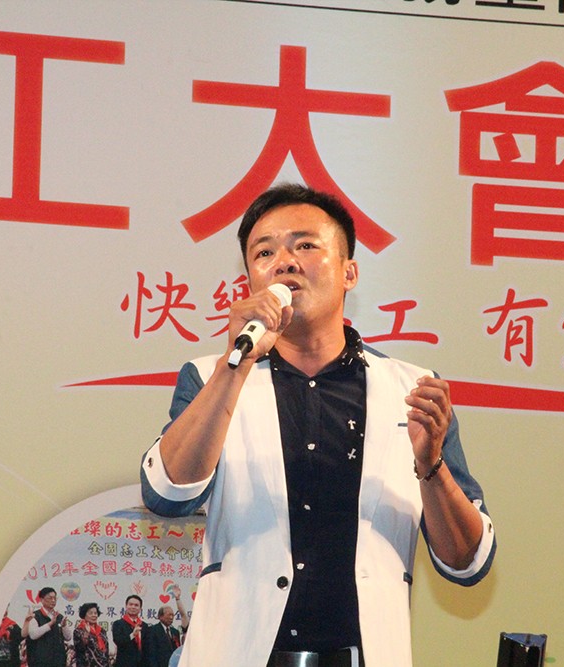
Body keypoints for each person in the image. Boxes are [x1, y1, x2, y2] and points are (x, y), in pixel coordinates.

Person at [140, 183, 496, 667]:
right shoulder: (210, 377)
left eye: (305, 245)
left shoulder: (413, 390)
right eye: (264, 252)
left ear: (350, 272)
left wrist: (430, 466)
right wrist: (234, 365)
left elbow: (468, 563)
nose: (284, 262)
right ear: (251, 280)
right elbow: (166, 494)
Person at [24, 587, 71, 667]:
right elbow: (33, 635)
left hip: (58, 660)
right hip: (40, 661)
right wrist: (50, 624)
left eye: (55, 598)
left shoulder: (59, 616)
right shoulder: (35, 616)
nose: (53, 600)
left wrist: (64, 626)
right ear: (41, 600)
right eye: (50, 598)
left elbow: (68, 637)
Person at [146, 585, 190, 667]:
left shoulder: (175, 632)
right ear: (160, 616)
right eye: (169, 615)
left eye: (173, 615)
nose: (171, 617)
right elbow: (151, 653)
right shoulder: (153, 630)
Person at [111, 594, 148, 667]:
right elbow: (118, 641)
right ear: (126, 606)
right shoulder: (118, 624)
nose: (133, 607)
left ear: (140, 608)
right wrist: (132, 635)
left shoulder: (144, 626)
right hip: (124, 663)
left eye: (136, 605)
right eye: (130, 604)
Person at [73, 602, 110, 667]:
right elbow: (79, 649)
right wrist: (86, 634)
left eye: (95, 613)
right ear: (84, 615)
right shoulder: (78, 630)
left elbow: (106, 650)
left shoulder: (102, 631)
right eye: (90, 613)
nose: (94, 615)